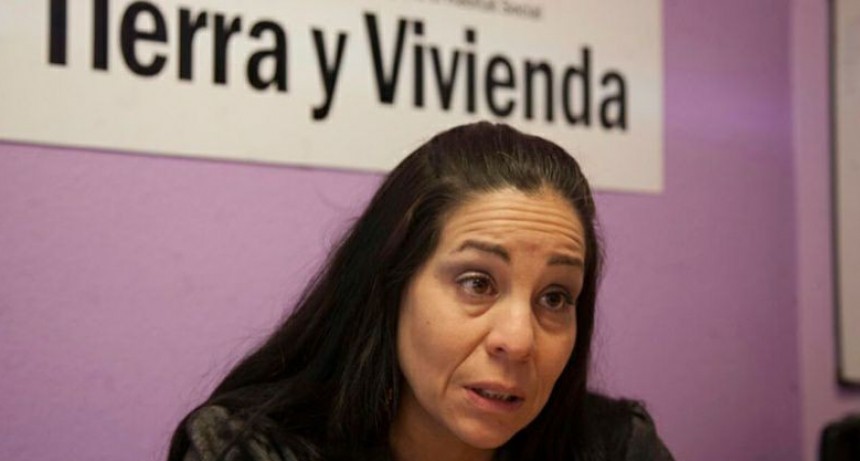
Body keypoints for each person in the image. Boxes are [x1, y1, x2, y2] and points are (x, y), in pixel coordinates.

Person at [167, 122, 674, 461]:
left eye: (555, 297)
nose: (519, 341)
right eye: (477, 283)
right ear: (391, 288)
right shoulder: (249, 449)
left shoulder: (616, 447)